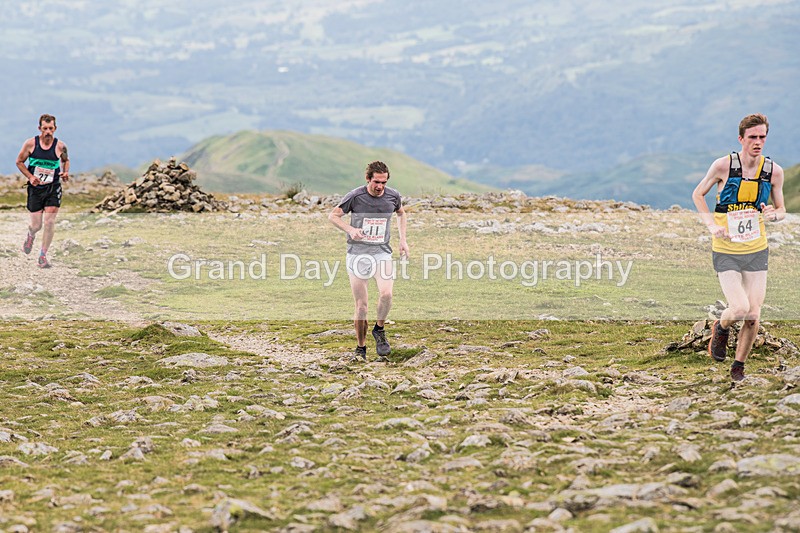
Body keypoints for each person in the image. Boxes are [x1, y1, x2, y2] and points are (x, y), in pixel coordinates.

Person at [691, 113, 785, 382]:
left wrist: (773, 215)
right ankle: (720, 327)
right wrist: (711, 226)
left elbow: (781, 209)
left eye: (762, 137)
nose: (758, 142)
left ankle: (738, 366)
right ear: (741, 139)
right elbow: (698, 194)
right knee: (740, 308)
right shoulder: (723, 166)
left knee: (754, 315)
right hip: (726, 249)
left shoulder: (773, 171)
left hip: (757, 249)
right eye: (753, 137)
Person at [329, 161, 409, 362]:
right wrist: (351, 230)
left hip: (382, 253)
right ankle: (361, 347)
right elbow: (333, 215)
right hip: (357, 255)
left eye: (383, 182)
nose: (380, 186)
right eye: (376, 182)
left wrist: (403, 240)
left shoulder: (393, 196)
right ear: (368, 179)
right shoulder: (355, 196)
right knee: (362, 306)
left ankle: (379, 329)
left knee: (387, 294)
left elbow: (401, 213)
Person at [16, 114, 70, 268]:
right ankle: (31, 235)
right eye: (45, 128)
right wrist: (30, 177)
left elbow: (66, 161)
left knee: (50, 221)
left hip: (53, 188)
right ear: (39, 128)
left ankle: (43, 255)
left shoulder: (60, 146)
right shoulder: (31, 144)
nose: (48, 131)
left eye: (50, 128)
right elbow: (19, 162)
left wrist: (65, 172)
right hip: (35, 189)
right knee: (36, 225)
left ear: (55, 129)